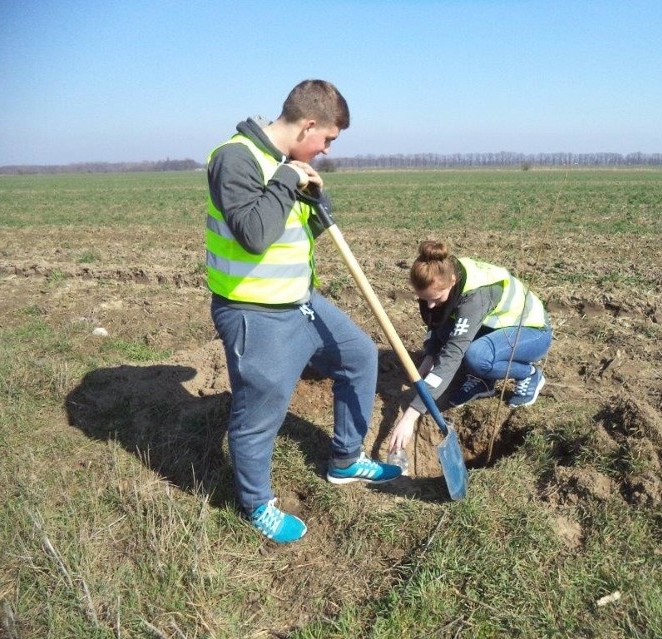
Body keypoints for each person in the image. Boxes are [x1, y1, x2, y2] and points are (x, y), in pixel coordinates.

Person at [206, 80, 401, 544]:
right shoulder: (235, 158)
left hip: (301, 300)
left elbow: (298, 228)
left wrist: (314, 198)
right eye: (328, 139)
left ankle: (345, 460)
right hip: (254, 310)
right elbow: (254, 232)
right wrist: (289, 179)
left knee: (359, 356)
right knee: (260, 411)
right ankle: (257, 505)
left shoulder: (287, 165)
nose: (328, 149)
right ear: (308, 124)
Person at [388, 241, 552, 453]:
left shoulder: (475, 297)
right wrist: (429, 356)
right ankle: (483, 380)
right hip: (495, 328)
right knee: (453, 337)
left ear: (453, 281)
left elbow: (452, 355)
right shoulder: (443, 272)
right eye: (423, 299)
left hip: (532, 331)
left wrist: (411, 415)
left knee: (476, 356)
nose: (429, 305)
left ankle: (529, 374)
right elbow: (440, 322)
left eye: (435, 298)